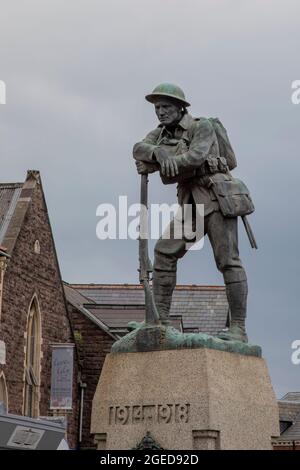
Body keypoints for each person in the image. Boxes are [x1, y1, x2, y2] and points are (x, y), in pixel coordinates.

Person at [133, 83, 253, 343]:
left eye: (165, 106)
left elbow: (195, 158)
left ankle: (239, 329)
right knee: (164, 252)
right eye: (157, 108)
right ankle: (159, 320)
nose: (160, 112)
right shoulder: (161, 134)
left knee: (228, 261)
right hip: (190, 203)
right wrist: (156, 152)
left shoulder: (202, 126)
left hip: (215, 199)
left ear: (180, 107)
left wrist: (163, 161)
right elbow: (138, 148)